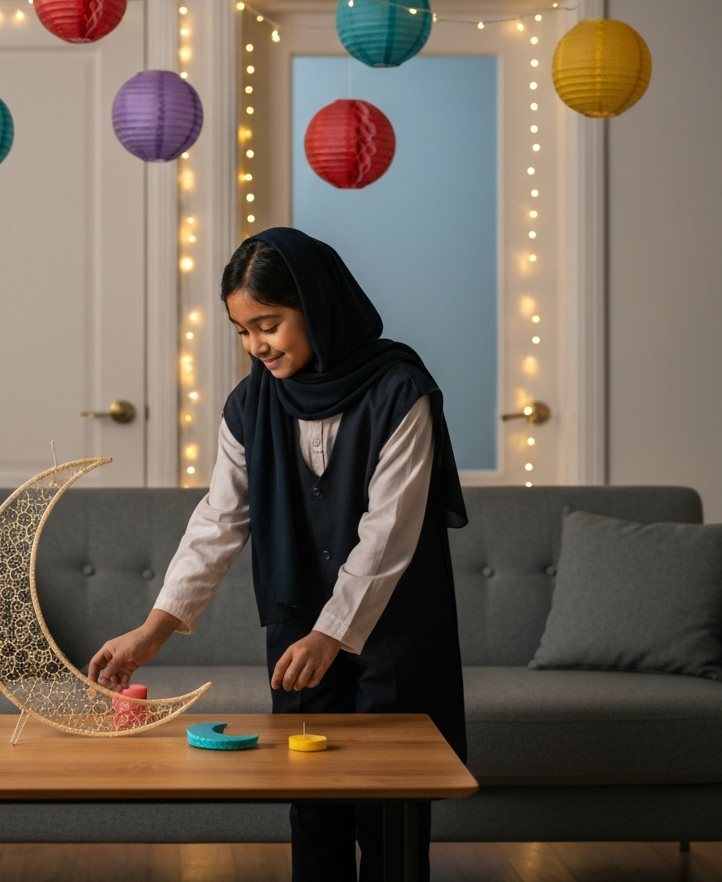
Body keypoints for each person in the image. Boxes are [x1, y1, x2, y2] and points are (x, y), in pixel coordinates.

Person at [89, 227, 468, 882]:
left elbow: (389, 533)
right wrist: (153, 630)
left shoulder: (401, 392)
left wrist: (332, 634)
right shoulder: (249, 405)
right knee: (312, 799)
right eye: (242, 331)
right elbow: (219, 518)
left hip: (393, 630)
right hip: (298, 627)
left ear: (316, 306)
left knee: (391, 805)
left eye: (268, 323)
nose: (256, 346)